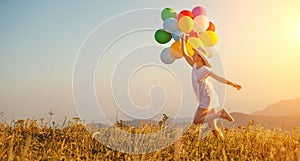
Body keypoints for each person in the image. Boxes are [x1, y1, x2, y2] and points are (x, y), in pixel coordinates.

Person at [181, 35, 242, 139]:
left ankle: (220, 114)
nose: (193, 55)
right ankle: (222, 144)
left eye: (195, 54)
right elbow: (185, 54)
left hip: (207, 98)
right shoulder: (195, 66)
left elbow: (219, 78)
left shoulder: (205, 70)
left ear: (200, 57)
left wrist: (233, 84)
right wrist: (183, 40)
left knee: (197, 121)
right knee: (212, 127)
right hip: (210, 96)